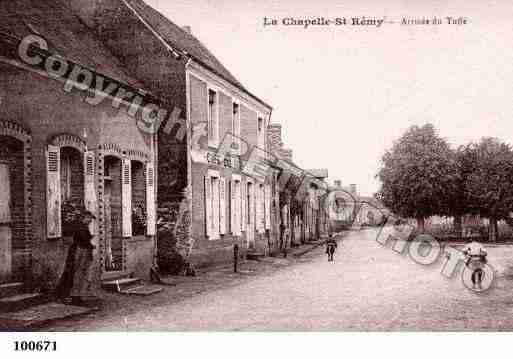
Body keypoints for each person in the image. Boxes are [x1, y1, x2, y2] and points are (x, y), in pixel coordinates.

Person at [55, 210, 96, 304]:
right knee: (76, 274)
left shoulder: (83, 227)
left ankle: (76, 295)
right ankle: (72, 296)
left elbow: (85, 240)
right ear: (84, 218)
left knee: (79, 274)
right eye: (89, 218)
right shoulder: (80, 227)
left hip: (81, 252)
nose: (90, 221)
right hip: (79, 253)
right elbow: (83, 240)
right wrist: (90, 245)